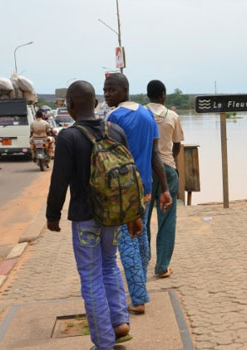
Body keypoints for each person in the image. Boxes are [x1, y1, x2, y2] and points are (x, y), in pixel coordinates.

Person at [46, 81, 140, 350]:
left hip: (86, 220)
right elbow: (130, 178)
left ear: (70, 104)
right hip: (114, 217)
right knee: (110, 267)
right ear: (96, 103)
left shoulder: (68, 137)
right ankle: (120, 323)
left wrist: (52, 216)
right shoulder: (116, 130)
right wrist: (134, 215)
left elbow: (59, 182)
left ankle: (103, 343)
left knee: (90, 278)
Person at [104, 73, 172, 314]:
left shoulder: (113, 117)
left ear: (124, 90)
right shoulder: (147, 114)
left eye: (111, 90)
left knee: (128, 243)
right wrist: (164, 190)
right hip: (146, 188)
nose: (106, 94)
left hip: (124, 192)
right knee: (141, 239)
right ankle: (140, 289)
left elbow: (111, 158)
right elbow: (156, 156)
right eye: (105, 90)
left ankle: (139, 298)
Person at [145, 80, 184, 278]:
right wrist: (168, 160)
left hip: (145, 171)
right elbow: (177, 145)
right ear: (164, 95)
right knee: (167, 220)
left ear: (147, 96)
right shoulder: (173, 116)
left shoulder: (141, 115)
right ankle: (162, 266)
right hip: (168, 169)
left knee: (143, 219)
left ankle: (142, 262)